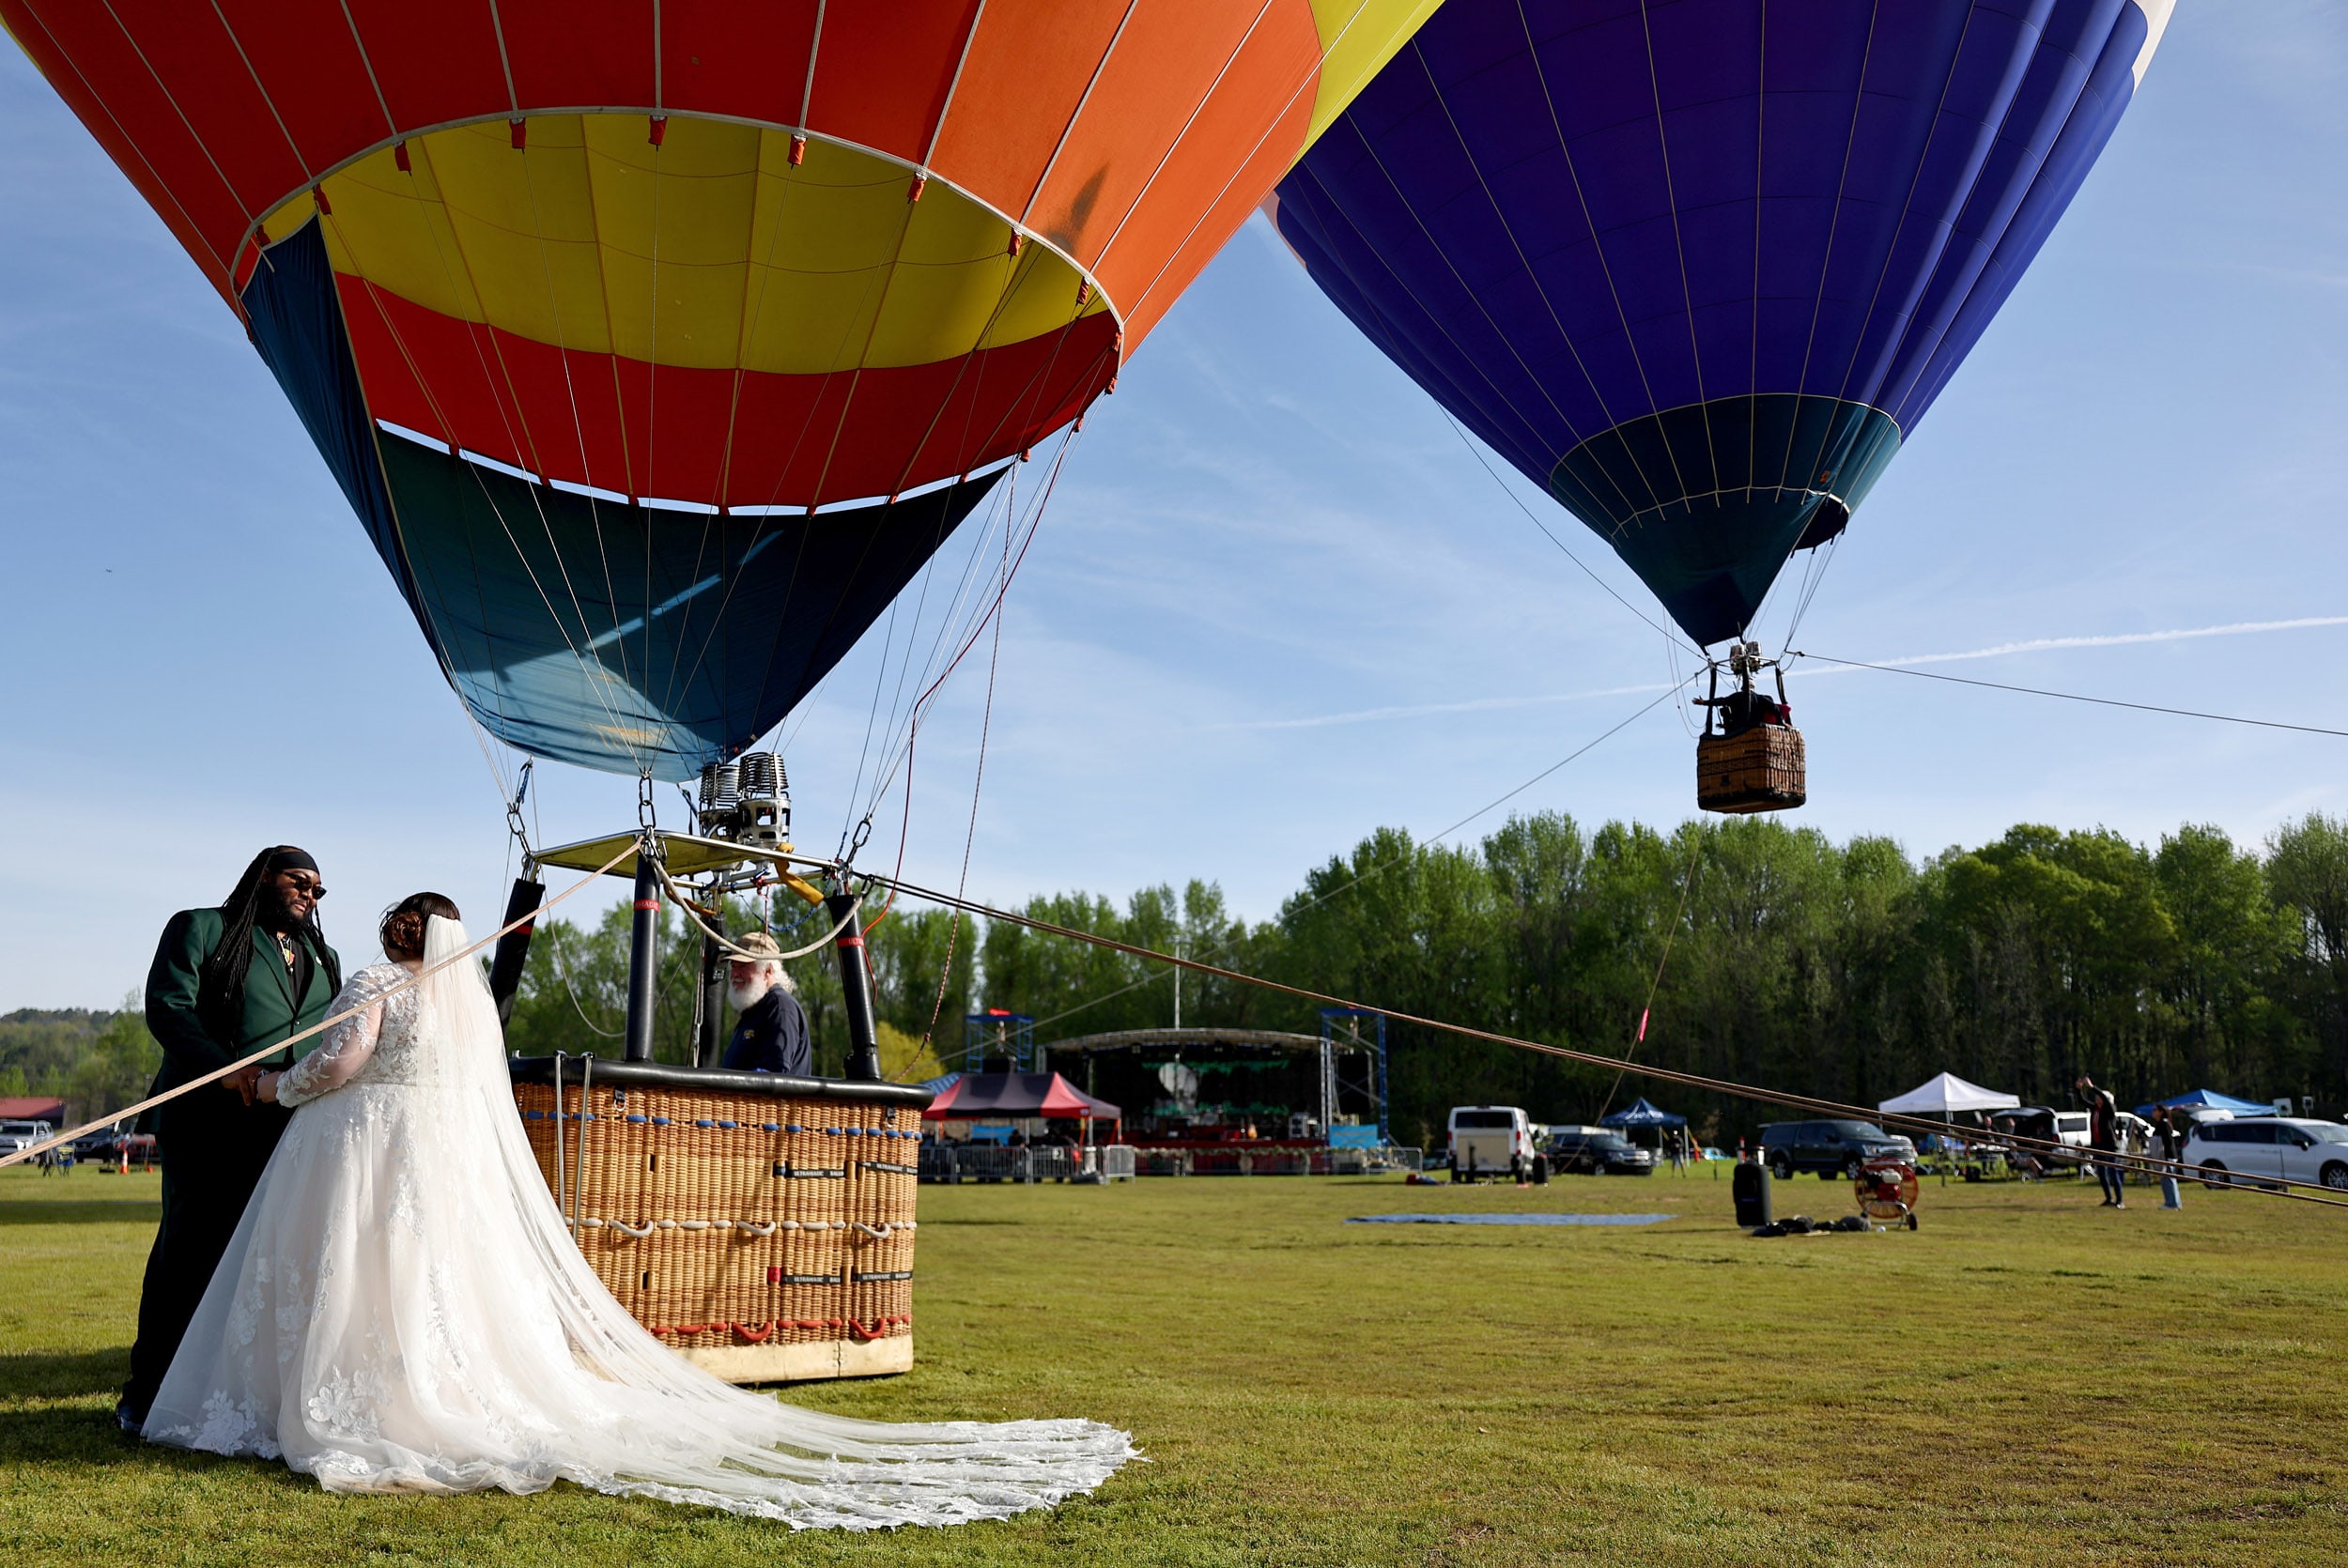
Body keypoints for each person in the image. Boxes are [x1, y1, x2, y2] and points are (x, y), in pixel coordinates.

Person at [142, 894, 1133, 1525]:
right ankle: (411, 1383)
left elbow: (343, 1060)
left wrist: (274, 1089)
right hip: (430, 1155)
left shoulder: (375, 983)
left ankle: (336, 1398)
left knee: (351, 1269)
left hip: (358, 1145)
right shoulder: (463, 1000)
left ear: (395, 933)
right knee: (426, 1276)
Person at [119, 846, 340, 1433]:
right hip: (206, 1123)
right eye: (301, 882)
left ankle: (234, 1394)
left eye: (319, 891)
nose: (310, 896)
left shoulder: (325, 956)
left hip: (287, 1128)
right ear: (265, 874)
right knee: (189, 1253)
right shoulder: (200, 927)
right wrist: (224, 1068)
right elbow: (168, 1009)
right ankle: (148, 1392)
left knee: (265, 1262)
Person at [719, 932, 811, 1077]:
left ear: (768, 970)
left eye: (742, 966)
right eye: (733, 967)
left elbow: (773, 1076)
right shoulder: (753, 1010)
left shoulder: (781, 1008)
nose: (734, 974)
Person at [2077, 1074, 2126, 1209]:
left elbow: (2104, 1098)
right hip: (2098, 1145)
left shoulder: (2110, 1110)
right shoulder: (2095, 1109)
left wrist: (2092, 1087)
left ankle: (2120, 1200)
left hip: (2109, 1145)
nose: (2097, 1098)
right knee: (2102, 1173)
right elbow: (2082, 1100)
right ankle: (2109, 1198)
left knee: (2112, 1172)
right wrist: (2079, 1089)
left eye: (2099, 1097)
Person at [2154, 1105, 2185, 1209]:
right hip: (2167, 1155)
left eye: (2155, 1110)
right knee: (2167, 1180)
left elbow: (2167, 1141)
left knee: (2169, 1180)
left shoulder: (2164, 1124)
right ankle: (2172, 1202)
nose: (2153, 1112)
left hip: (2168, 1155)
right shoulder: (2162, 1123)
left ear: (2161, 1112)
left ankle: (2172, 1203)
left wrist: (2162, 1155)